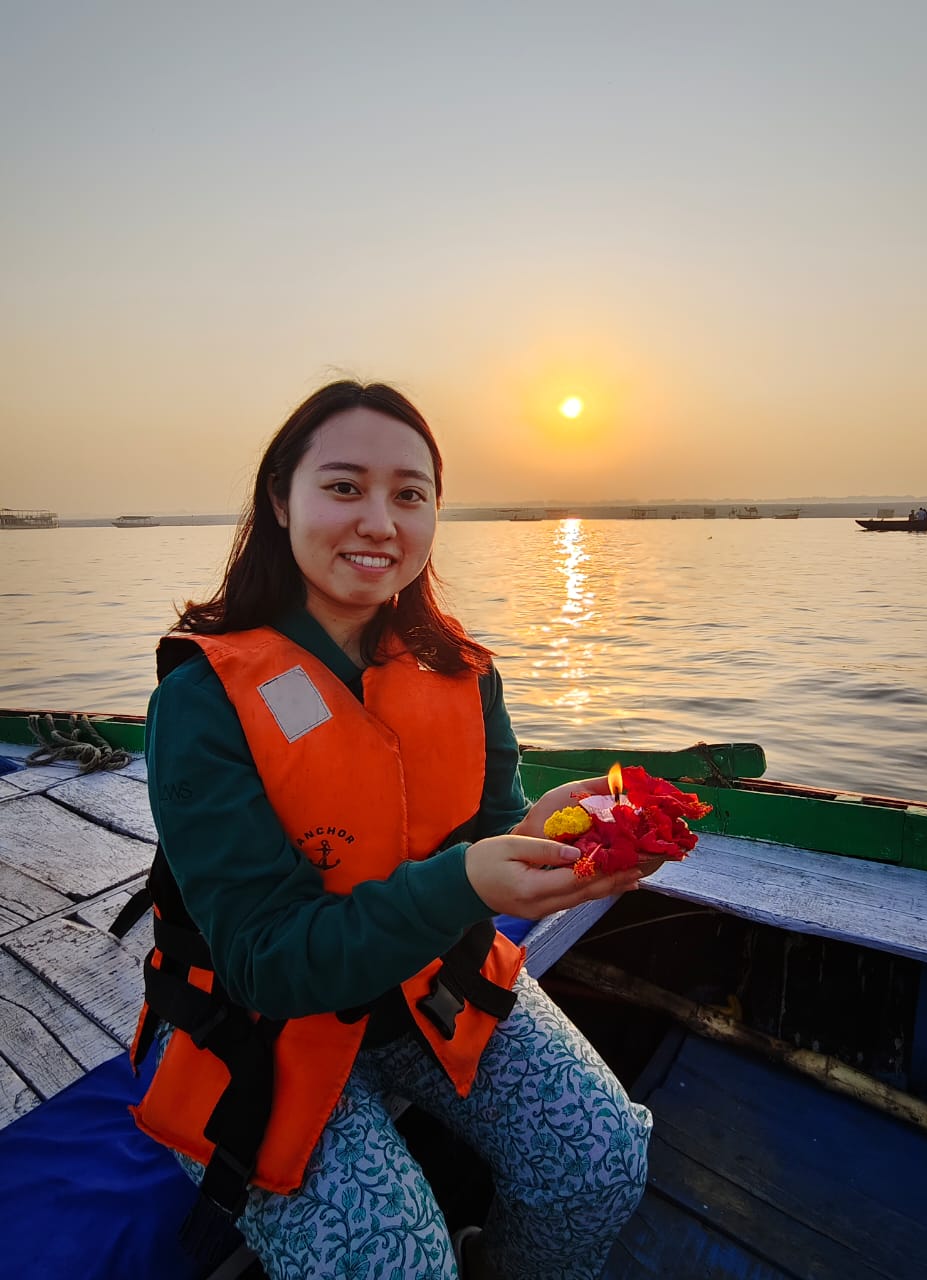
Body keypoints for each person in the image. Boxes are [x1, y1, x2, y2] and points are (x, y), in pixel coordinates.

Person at [135, 379, 656, 1280]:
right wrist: (465, 884)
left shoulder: (459, 670)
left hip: (433, 990)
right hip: (261, 1028)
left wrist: (554, 833)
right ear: (279, 497)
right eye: (344, 487)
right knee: (396, 1265)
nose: (379, 521)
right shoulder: (201, 700)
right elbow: (263, 958)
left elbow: (490, 830)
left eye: (409, 495)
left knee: (601, 1161)